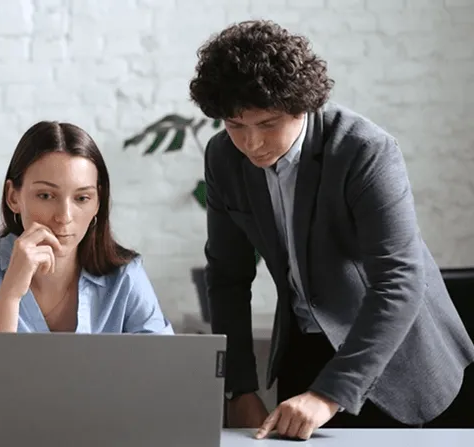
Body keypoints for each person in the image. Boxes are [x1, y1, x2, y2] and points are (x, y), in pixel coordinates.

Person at [188, 20, 474, 441]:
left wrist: (328, 394)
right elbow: (228, 276)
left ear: (301, 105)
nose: (251, 143)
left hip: (399, 359)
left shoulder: (364, 150)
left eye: (267, 124)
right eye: (235, 125)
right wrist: (239, 387)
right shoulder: (222, 157)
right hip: (305, 351)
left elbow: (399, 280)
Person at [0, 121, 174, 428]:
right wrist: (10, 295)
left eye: (81, 198)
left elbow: (168, 392)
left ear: (98, 202)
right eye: (46, 196)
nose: (64, 217)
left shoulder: (125, 275)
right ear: (14, 196)